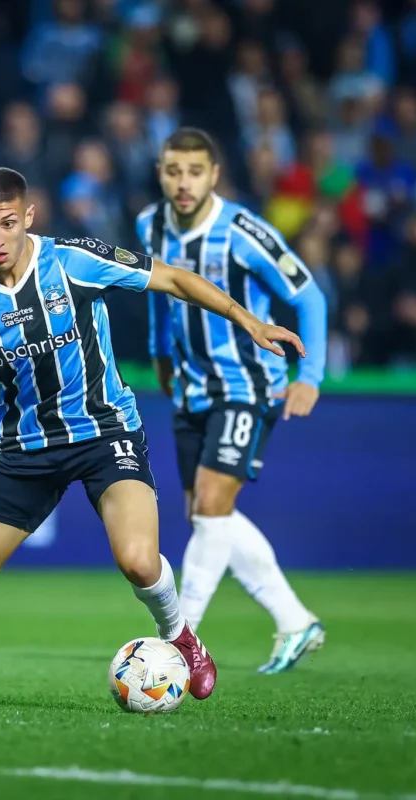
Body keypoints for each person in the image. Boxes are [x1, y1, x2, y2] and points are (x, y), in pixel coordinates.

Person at [0, 167, 306, 707]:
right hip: (25, 448)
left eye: (9, 224)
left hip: (105, 430)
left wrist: (247, 320)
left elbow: (175, 279)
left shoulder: (73, 260)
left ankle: (181, 636)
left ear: (29, 218)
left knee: (137, 560)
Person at [138, 128, 327, 674]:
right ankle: (295, 620)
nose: (183, 182)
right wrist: (160, 355)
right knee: (204, 514)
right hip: (191, 385)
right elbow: (155, 291)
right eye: (173, 171)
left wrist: (309, 373)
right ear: (161, 172)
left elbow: (307, 294)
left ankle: (179, 643)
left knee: (213, 508)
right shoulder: (149, 224)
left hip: (248, 385)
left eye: (195, 171)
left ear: (214, 175)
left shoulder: (244, 232)